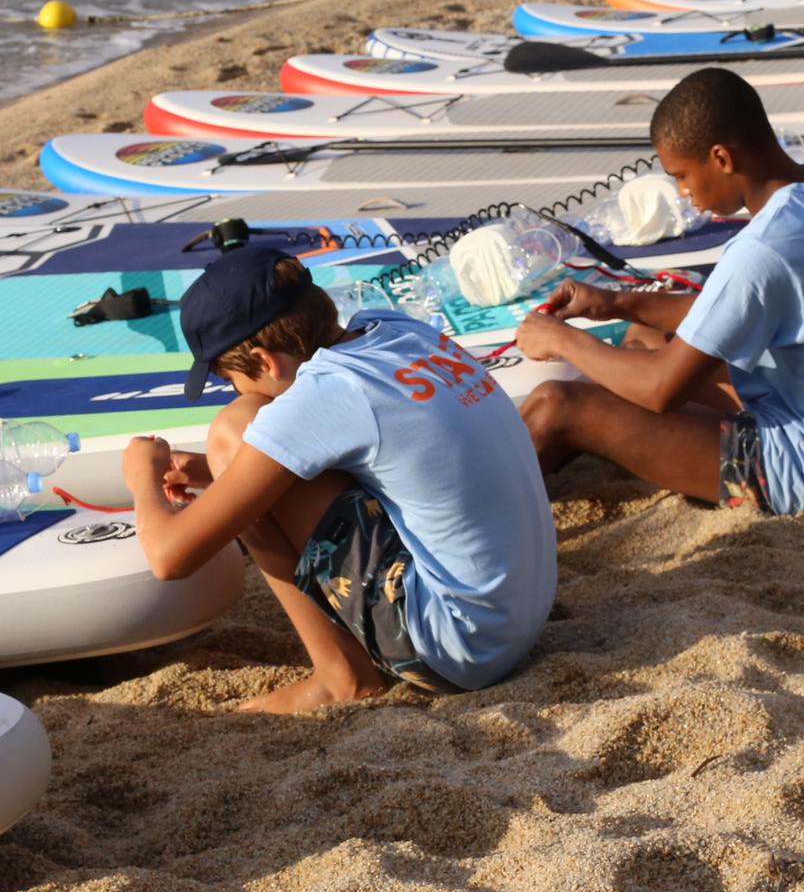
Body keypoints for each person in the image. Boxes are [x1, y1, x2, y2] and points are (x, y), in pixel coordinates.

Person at [120, 246, 556, 713]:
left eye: (231, 379)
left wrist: (142, 476)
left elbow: (170, 557)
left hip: (458, 647)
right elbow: (395, 454)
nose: (232, 390)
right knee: (248, 446)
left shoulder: (329, 392)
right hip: (519, 616)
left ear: (266, 363)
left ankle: (340, 676)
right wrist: (218, 475)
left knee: (234, 429)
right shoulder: (398, 330)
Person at [512, 66, 804, 514]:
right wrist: (616, 303)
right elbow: (734, 305)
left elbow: (660, 390)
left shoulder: (765, 246)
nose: (683, 193)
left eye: (681, 175)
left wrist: (562, 340)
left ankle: (442, 535)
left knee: (557, 405)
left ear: (721, 158)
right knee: (643, 339)